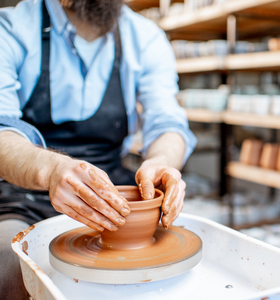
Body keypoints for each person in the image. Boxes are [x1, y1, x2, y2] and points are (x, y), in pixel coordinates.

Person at [0, 0, 197, 299]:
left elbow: (168, 121)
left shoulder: (145, 36)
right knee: (8, 267)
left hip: (110, 187)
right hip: (24, 188)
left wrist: (162, 160)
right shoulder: (12, 28)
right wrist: (52, 170)